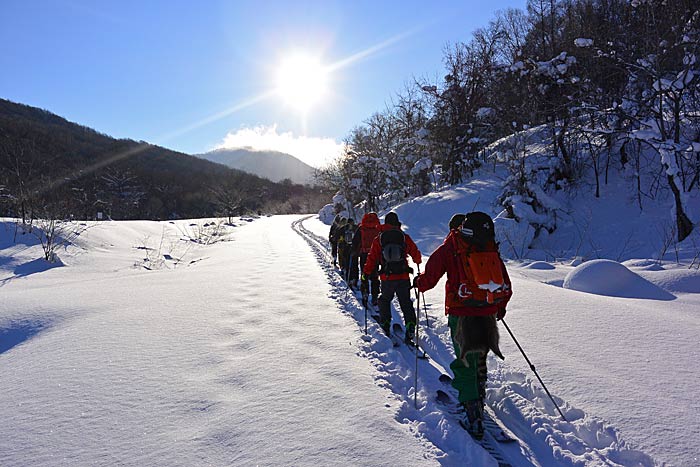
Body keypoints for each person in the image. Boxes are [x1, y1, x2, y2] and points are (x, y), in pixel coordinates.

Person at [414, 211, 512, 439]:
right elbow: (504, 283)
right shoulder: (488, 246)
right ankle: (479, 395)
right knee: (479, 356)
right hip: (487, 313)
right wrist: (499, 306)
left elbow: (430, 278)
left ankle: (472, 413)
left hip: (462, 314)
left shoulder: (451, 246)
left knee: (466, 362)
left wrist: (418, 283)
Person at [363, 211, 422, 345]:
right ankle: (410, 325)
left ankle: (385, 322)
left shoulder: (379, 238)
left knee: (384, 300)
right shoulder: (403, 237)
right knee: (406, 302)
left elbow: (371, 257)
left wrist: (366, 273)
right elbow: (415, 253)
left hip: (387, 277)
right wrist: (417, 261)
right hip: (403, 276)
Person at [353, 212, 381, 307]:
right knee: (375, 276)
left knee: (364, 274)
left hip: (364, 254)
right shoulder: (378, 229)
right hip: (376, 255)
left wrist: (355, 252)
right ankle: (375, 296)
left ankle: (365, 293)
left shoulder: (361, 228)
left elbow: (355, 241)